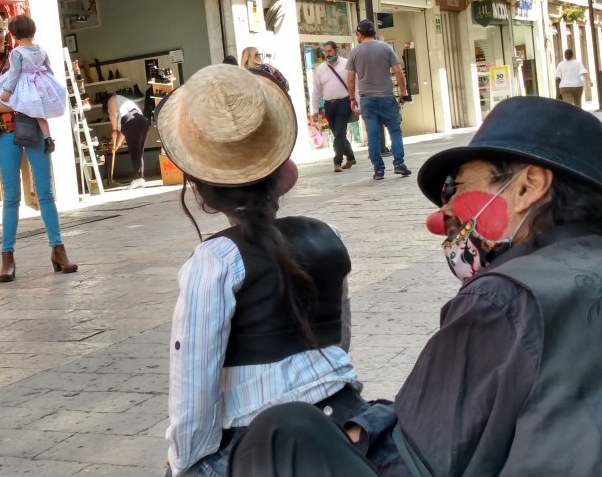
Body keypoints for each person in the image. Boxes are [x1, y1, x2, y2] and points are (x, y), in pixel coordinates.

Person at [229, 95, 602, 477]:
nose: (445, 212)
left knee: (282, 431)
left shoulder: (503, 297)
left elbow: (416, 458)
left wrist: (361, 432)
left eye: (454, 188)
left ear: (528, 187)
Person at [157, 64, 359, 477]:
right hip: (342, 417)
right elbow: (341, 338)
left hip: (262, 441)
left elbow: (194, 389)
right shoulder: (328, 235)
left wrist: (184, 464)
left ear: (201, 188)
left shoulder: (214, 262)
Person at [0, 11, 77, 281]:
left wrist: (32, 101)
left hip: (32, 129)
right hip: (6, 132)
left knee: (45, 192)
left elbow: (45, 81)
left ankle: (58, 250)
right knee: (11, 197)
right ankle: (7, 257)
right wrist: (31, 103)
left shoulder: (22, 54)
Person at [0, 14, 67, 154]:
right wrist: (50, 84)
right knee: (39, 113)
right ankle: (48, 138)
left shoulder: (17, 52)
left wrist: (8, 90)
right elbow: (49, 69)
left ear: (13, 36)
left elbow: (14, 73)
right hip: (40, 81)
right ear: (33, 32)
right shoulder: (41, 49)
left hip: (24, 83)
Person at [347, 20, 411, 180]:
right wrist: (403, 92)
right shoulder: (386, 48)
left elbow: (350, 79)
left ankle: (379, 170)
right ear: (374, 32)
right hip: (386, 97)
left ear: (359, 34)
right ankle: (399, 164)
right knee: (395, 131)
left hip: (367, 100)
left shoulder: (354, 52)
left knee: (373, 135)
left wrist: (352, 98)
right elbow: (398, 72)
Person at [311, 41, 358, 173]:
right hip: (329, 105)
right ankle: (350, 156)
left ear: (335, 50)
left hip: (344, 102)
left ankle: (337, 161)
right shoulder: (321, 69)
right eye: (325, 51)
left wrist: (356, 104)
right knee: (337, 134)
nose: (327, 54)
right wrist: (315, 110)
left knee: (340, 133)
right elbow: (316, 90)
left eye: (329, 51)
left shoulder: (346, 64)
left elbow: (355, 84)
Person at [99, 91, 150, 189]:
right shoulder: (124, 103)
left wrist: (114, 130)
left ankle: (137, 179)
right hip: (143, 121)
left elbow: (113, 114)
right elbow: (124, 131)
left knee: (135, 152)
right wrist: (117, 145)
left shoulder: (112, 98)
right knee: (138, 152)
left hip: (132, 122)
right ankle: (140, 179)